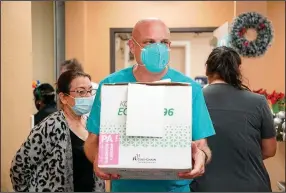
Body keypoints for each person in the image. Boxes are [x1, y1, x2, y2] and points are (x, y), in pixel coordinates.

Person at [84, 18, 215, 192]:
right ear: (132, 46)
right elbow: (92, 142)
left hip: (174, 188)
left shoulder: (189, 88)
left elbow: (201, 144)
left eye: (164, 42)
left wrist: (201, 157)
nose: (158, 48)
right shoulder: (111, 86)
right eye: (150, 42)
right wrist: (97, 159)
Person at [190, 46, 277, 192]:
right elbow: (269, 150)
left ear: (207, 70)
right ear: (238, 70)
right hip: (252, 186)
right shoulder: (258, 102)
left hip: (205, 187)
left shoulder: (192, 100)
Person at [10, 70, 105, 192]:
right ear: (64, 98)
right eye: (81, 92)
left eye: (90, 91)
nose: (88, 96)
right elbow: (20, 167)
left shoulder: (91, 124)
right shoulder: (51, 126)